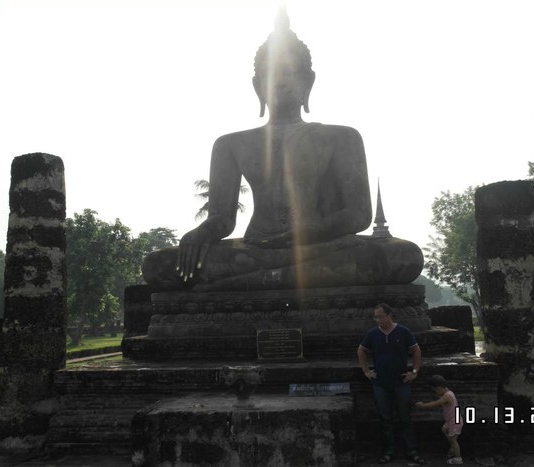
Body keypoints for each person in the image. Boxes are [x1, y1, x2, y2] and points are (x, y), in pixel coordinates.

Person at [142, 10, 424, 292]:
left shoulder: (342, 138)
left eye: (288, 73)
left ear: (308, 82)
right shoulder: (230, 144)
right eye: (271, 74)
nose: (280, 82)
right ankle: (281, 276)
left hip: (322, 246)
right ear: (258, 86)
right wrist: (202, 233)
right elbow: (223, 219)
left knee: (404, 256)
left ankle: (252, 282)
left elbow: (359, 214)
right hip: (256, 249)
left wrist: (307, 233)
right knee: (158, 265)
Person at [357, 303, 426, 465]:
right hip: (380, 383)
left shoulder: (403, 331)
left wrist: (414, 372)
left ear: (389, 315)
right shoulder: (373, 333)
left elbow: (416, 350)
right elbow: (361, 350)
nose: (377, 320)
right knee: (385, 419)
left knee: (405, 418)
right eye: (375, 317)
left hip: (401, 382)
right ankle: (389, 450)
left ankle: (412, 450)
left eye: (380, 316)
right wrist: (366, 371)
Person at [415, 375, 464, 465]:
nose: (436, 393)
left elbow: (436, 403)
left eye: (435, 390)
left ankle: (458, 458)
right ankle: (452, 448)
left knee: (454, 440)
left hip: (454, 421)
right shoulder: (449, 393)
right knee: (444, 429)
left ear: (439, 388)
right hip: (452, 420)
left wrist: (423, 405)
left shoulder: (447, 397)